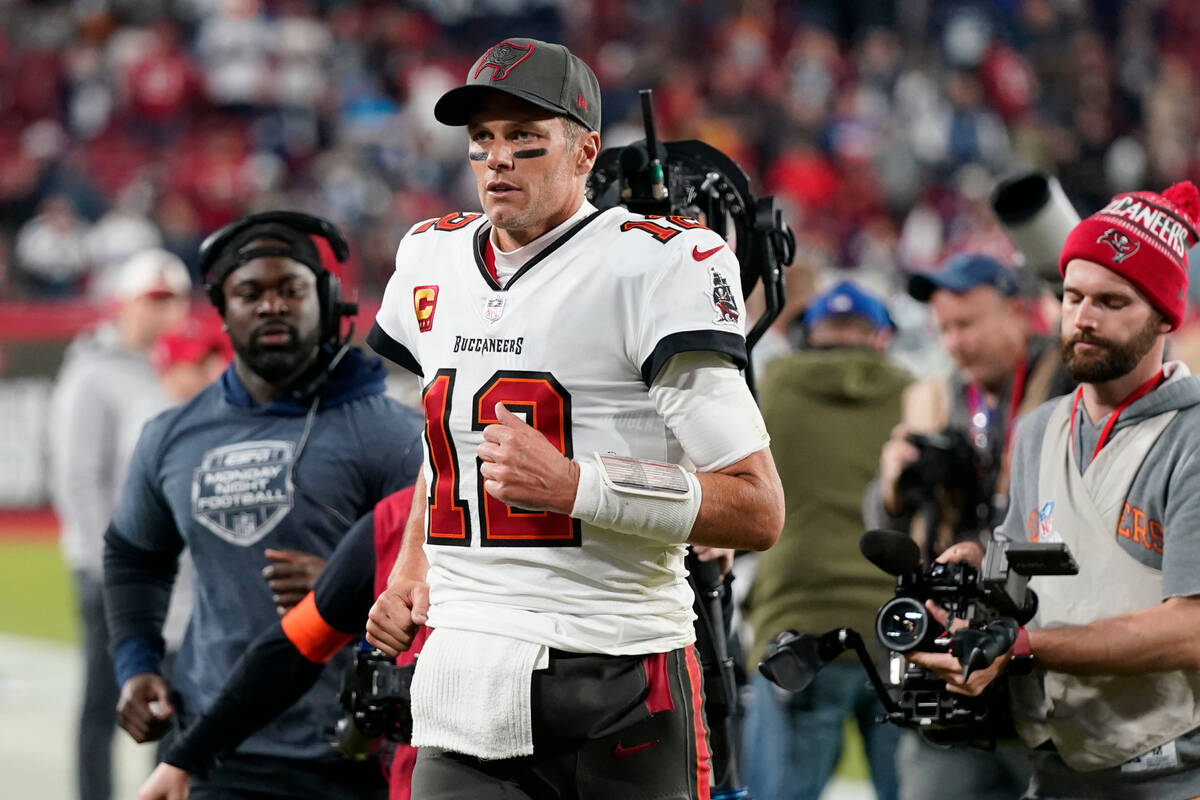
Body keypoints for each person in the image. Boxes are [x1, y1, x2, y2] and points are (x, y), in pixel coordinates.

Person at [364, 37, 785, 800]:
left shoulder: (654, 262)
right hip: (463, 677)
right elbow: (449, 446)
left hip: (620, 676)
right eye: (483, 141)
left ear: (586, 150)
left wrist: (578, 485)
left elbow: (756, 507)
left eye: (525, 139)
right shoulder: (430, 257)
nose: (498, 159)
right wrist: (410, 572)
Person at [103, 211, 424, 800]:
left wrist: (349, 589)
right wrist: (137, 663)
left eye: (290, 290)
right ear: (222, 309)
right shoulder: (172, 434)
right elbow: (134, 555)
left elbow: (449, 577)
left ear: (326, 301)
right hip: (220, 744)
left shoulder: (396, 435)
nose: (271, 306)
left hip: (359, 750)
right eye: (250, 292)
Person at [911, 181, 1200, 800]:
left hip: (1169, 769)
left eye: (1112, 301)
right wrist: (979, 567)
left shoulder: (1193, 436)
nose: (1084, 318)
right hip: (1057, 755)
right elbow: (1028, 572)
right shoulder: (1040, 426)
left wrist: (1024, 646)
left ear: (1162, 316)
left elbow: (1191, 631)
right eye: (1072, 297)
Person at [863, 252, 1075, 800]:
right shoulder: (938, 397)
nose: (955, 342)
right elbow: (883, 526)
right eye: (945, 329)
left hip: (1044, 650)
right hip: (952, 655)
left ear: (1017, 311)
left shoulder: (1070, 382)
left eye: (968, 324)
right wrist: (892, 487)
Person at [136, 486, 425, 800]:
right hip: (413, 781)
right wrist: (182, 758)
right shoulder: (396, 520)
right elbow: (290, 650)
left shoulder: (393, 494)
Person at [741, 281, 911, 800]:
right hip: (895, 627)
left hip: (799, 626)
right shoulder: (914, 396)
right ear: (880, 337)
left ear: (808, 334)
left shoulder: (774, 386)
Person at [49, 247, 191, 800]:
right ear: (125, 304)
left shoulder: (175, 365)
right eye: (152, 299)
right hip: (113, 565)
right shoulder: (94, 370)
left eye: (172, 299)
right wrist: (99, 562)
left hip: (173, 571)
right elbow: (79, 478)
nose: (162, 311)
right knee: (106, 698)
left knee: (173, 695)